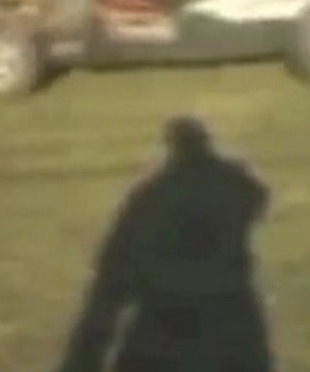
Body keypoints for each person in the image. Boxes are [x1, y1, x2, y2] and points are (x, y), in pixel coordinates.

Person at [54, 116, 275, 372]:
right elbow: (258, 197)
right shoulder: (232, 183)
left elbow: (113, 271)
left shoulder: (152, 195)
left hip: (165, 322)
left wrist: (82, 361)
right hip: (230, 314)